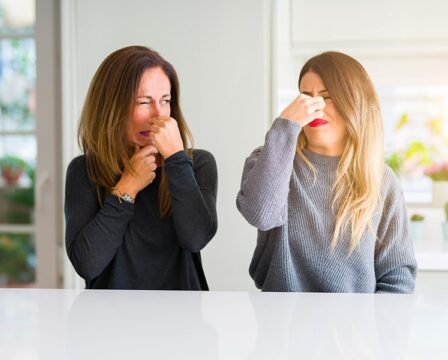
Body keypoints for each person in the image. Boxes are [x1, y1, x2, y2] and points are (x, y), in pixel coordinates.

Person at [236, 51, 417, 293]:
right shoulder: (269, 158)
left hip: (356, 328)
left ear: (353, 102)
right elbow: (261, 215)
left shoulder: (381, 180)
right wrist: (285, 127)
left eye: (326, 96)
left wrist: (375, 328)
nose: (314, 107)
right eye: (305, 96)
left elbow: (397, 277)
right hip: (279, 323)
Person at [65, 46, 217, 290]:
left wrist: (177, 160)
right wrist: (127, 189)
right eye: (143, 102)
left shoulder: (197, 164)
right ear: (112, 107)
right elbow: (87, 264)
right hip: (107, 322)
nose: (158, 115)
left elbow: (196, 238)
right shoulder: (84, 170)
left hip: (183, 321)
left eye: (165, 101)